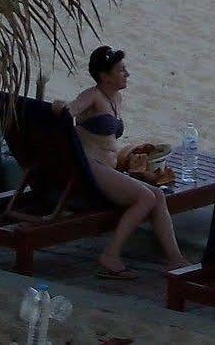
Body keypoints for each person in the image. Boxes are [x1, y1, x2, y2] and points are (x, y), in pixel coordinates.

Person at [61, 45, 188, 277]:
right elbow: (70, 109)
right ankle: (111, 255)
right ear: (104, 76)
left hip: (108, 168)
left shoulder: (117, 98)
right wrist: (60, 106)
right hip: (90, 167)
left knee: (158, 195)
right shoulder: (92, 95)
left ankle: (176, 260)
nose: (127, 74)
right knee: (146, 197)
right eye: (121, 70)